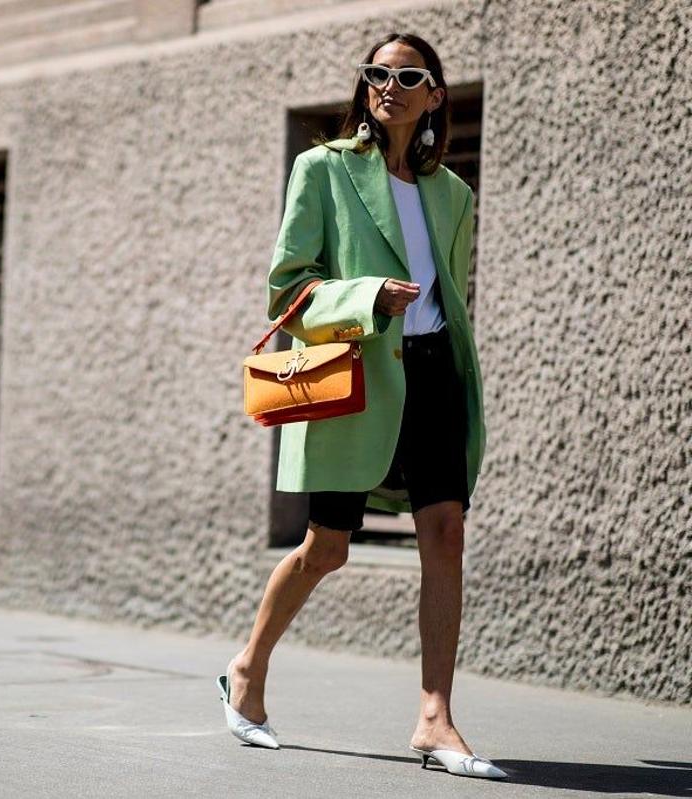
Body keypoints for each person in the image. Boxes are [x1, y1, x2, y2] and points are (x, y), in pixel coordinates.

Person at [216, 33, 506, 780]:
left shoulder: (454, 195)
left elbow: (451, 296)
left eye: (409, 75)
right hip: (358, 377)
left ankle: (434, 716)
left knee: (445, 533)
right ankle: (246, 669)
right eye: (378, 72)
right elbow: (289, 290)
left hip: (436, 372)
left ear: (435, 95)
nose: (391, 85)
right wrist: (367, 296)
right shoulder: (322, 171)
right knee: (328, 546)